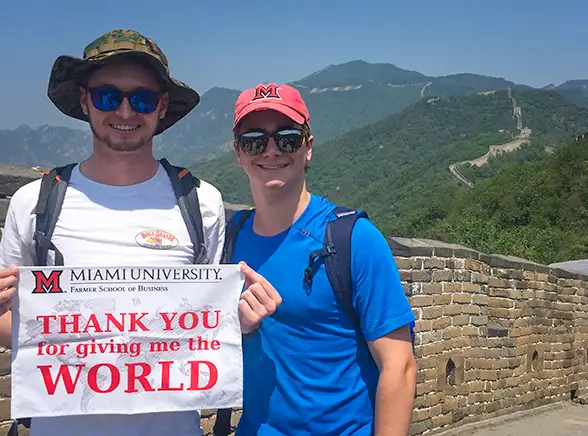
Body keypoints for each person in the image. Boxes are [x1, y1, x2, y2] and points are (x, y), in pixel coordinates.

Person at [0, 30, 279, 436]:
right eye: (108, 96)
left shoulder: (200, 204)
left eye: (143, 98)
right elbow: (11, 322)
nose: (126, 111)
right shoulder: (35, 204)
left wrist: (239, 323)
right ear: (84, 100)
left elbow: (207, 323)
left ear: (162, 106)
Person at [226, 83, 418, 436]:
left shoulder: (352, 240)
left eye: (287, 138)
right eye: (254, 140)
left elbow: (399, 364)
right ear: (238, 153)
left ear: (307, 148)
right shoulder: (229, 241)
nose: (270, 150)